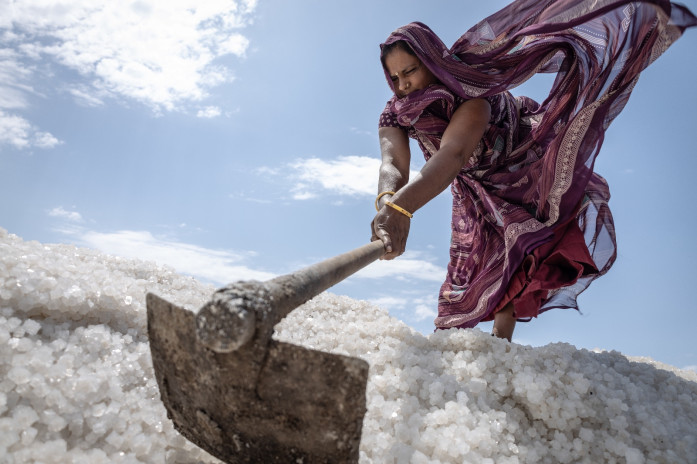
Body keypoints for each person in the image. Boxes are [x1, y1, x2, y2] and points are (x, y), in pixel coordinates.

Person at [370, 0, 696, 341]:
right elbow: (392, 163)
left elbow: (453, 152)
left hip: (521, 168)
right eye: (394, 77)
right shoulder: (395, 112)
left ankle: (501, 345)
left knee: (524, 247)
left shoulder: (472, 93)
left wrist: (403, 208)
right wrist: (388, 202)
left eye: (409, 71)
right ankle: (472, 347)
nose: (403, 84)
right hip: (473, 186)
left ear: (432, 62)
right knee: (477, 261)